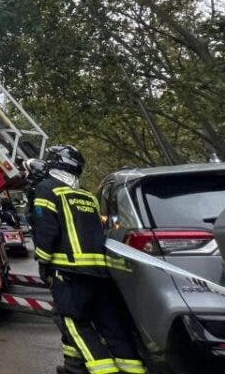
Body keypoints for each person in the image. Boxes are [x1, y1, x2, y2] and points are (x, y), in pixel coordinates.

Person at [32, 146, 145, 374]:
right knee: (109, 324)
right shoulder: (86, 195)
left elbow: (46, 230)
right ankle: (83, 367)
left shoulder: (47, 189)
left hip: (69, 270)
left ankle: (103, 370)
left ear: (54, 163)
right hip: (99, 272)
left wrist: (43, 262)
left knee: (75, 323)